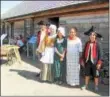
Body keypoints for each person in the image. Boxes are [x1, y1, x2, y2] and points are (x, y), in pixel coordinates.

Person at [81, 26, 103, 92]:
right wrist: (82, 60)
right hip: (88, 62)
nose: (92, 36)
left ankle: (96, 86)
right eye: (91, 35)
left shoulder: (98, 44)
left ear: (95, 36)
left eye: (93, 35)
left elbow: (100, 54)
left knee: (96, 75)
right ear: (89, 36)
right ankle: (86, 85)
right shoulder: (87, 43)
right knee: (86, 74)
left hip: (95, 62)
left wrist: (99, 63)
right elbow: (84, 52)